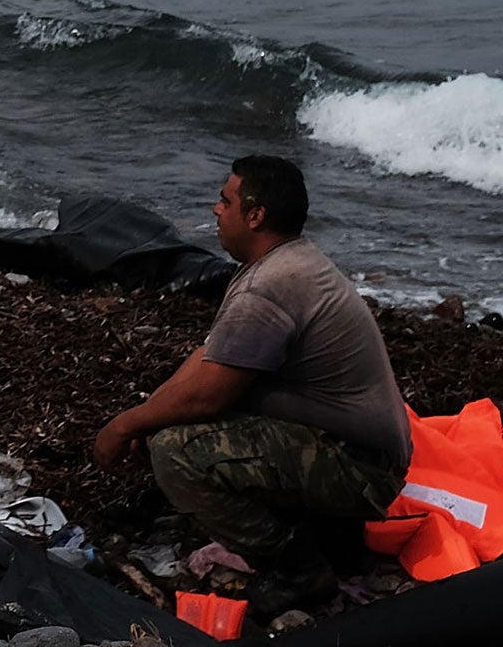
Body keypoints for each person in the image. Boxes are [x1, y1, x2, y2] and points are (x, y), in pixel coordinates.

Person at [93, 156, 411, 616]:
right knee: (176, 421)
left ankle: (297, 568)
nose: (216, 210)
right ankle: (332, 539)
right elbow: (208, 359)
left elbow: (209, 394)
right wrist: (150, 409)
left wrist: (124, 426)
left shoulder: (269, 285)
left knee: (176, 450)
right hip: (358, 450)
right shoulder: (287, 262)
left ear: (256, 215)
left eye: (226, 201)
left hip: (361, 468)